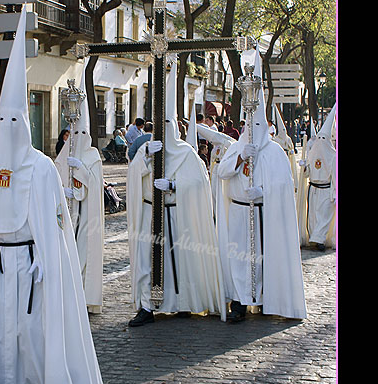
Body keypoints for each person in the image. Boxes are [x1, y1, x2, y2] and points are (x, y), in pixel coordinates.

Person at [0, 8, 104, 384]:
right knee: (1, 330)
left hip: (32, 261)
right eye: (2, 118)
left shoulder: (40, 168)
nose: (8, 124)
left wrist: (48, 258)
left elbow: (57, 221)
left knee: (33, 327)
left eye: (15, 118)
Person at [127, 60, 226, 327]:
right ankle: (147, 306)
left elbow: (199, 184)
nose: (166, 130)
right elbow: (133, 175)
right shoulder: (146, 150)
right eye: (162, 123)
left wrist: (174, 187)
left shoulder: (186, 154)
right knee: (148, 261)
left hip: (176, 213)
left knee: (179, 260)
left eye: (170, 123)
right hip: (151, 212)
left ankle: (182, 303)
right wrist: (146, 157)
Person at [215, 47, 307, 323]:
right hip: (240, 213)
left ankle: (264, 298)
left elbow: (283, 187)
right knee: (239, 259)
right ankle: (241, 302)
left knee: (262, 258)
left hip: (264, 214)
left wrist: (264, 192)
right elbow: (222, 172)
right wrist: (241, 157)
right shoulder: (237, 147)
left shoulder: (275, 152)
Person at [55, 62, 105, 315]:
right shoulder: (64, 154)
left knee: (84, 254)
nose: (81, 135)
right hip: (67, 216)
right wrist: (64, 191)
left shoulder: (93, 156)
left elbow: (95, 186)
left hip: (86, 219)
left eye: (85, 131)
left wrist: (82, 175)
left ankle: (83, 295)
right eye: (77, 131)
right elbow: (55, 176)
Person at [299, 104, 336, 251]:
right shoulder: (312, 153)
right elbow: (307, 173)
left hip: (326, 189)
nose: (320, 140)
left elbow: (334, 175)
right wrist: (304, 167)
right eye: (318, 137)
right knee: (314, 216)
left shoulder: (333, 156)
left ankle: (319, 239)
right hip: (313, 189)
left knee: (325, 216)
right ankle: (315, 238)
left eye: (323, 138)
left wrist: (334, 192)